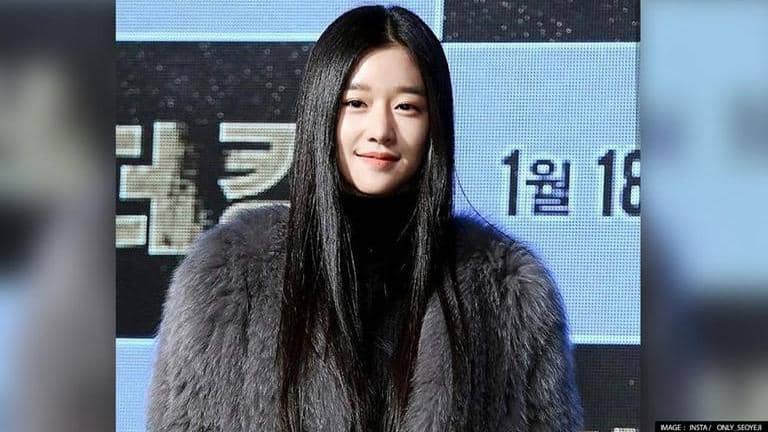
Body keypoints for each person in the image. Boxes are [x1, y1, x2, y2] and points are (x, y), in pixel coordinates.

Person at [147, 5, 582, 432]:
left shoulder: (507, 294)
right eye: (356, 103)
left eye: (407, 107)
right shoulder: (231, 276)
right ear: (322, 112)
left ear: (434, 122)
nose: (380, 130)